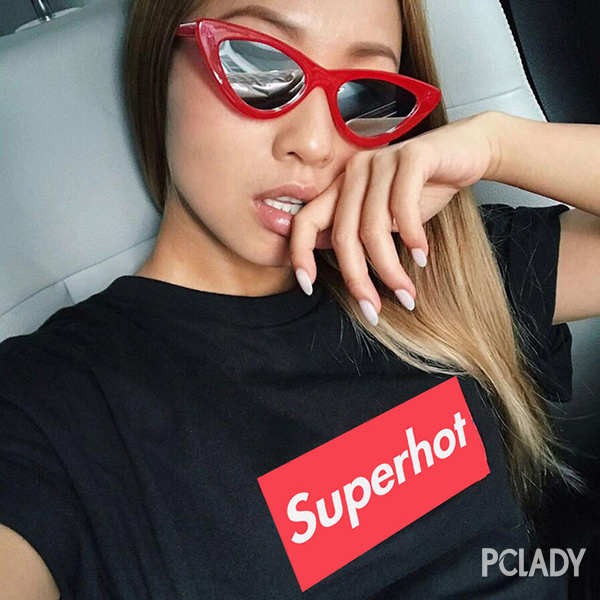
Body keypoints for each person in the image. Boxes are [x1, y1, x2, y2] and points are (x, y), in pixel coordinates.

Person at [1, 0, 599, 598]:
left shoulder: (438, 272)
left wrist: (499, 144)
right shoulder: (46, 406)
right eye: (256, 66)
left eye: (364, 96)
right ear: (160, 61)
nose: (314, 144)